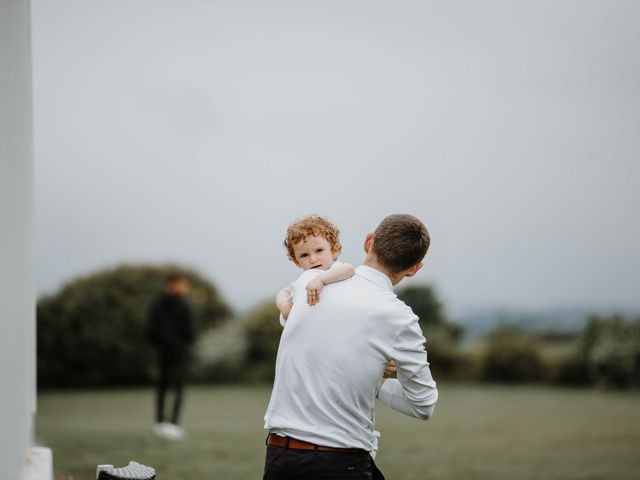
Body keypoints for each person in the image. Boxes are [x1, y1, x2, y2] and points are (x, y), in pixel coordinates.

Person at [263, 214, 438, 479]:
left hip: (281, 456)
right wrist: (377, 382)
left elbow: (299, 324)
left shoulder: (305, 284)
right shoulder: (400, 317)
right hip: (342, 461)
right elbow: (423, 406)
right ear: (414, 269)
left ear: (369, 242)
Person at [276, 214, 356, 323]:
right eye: (304, 255)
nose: (313, 259)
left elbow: (349, 269)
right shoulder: (304, 280)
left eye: (319, 251)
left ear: (334, 250)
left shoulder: (335, 268)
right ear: (296, 261)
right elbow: (283, 292)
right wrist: (284, 306)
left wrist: (320, 280)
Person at [146, 272, 195, 440]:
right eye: (182, 284)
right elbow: (189, 331)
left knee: (163, 386)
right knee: (177, 387)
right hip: (178, 351)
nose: (185, 288)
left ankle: (161, 423)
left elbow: (150, 330)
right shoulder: (182, 305)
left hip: (163, 351)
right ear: (173, 284)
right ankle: (172, 424)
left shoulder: (157, 304)